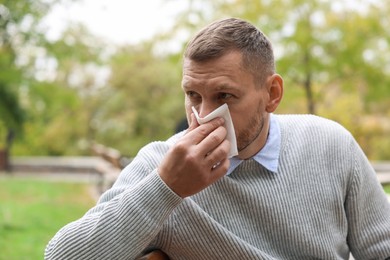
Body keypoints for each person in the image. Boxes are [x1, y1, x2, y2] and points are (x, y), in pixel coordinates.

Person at [45, 18, 390, 260]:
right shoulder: (162, 165)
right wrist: (166, 188)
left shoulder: (330, 145)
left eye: (224, 96)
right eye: (193, 95)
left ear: (272, 94)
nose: (204, 115)